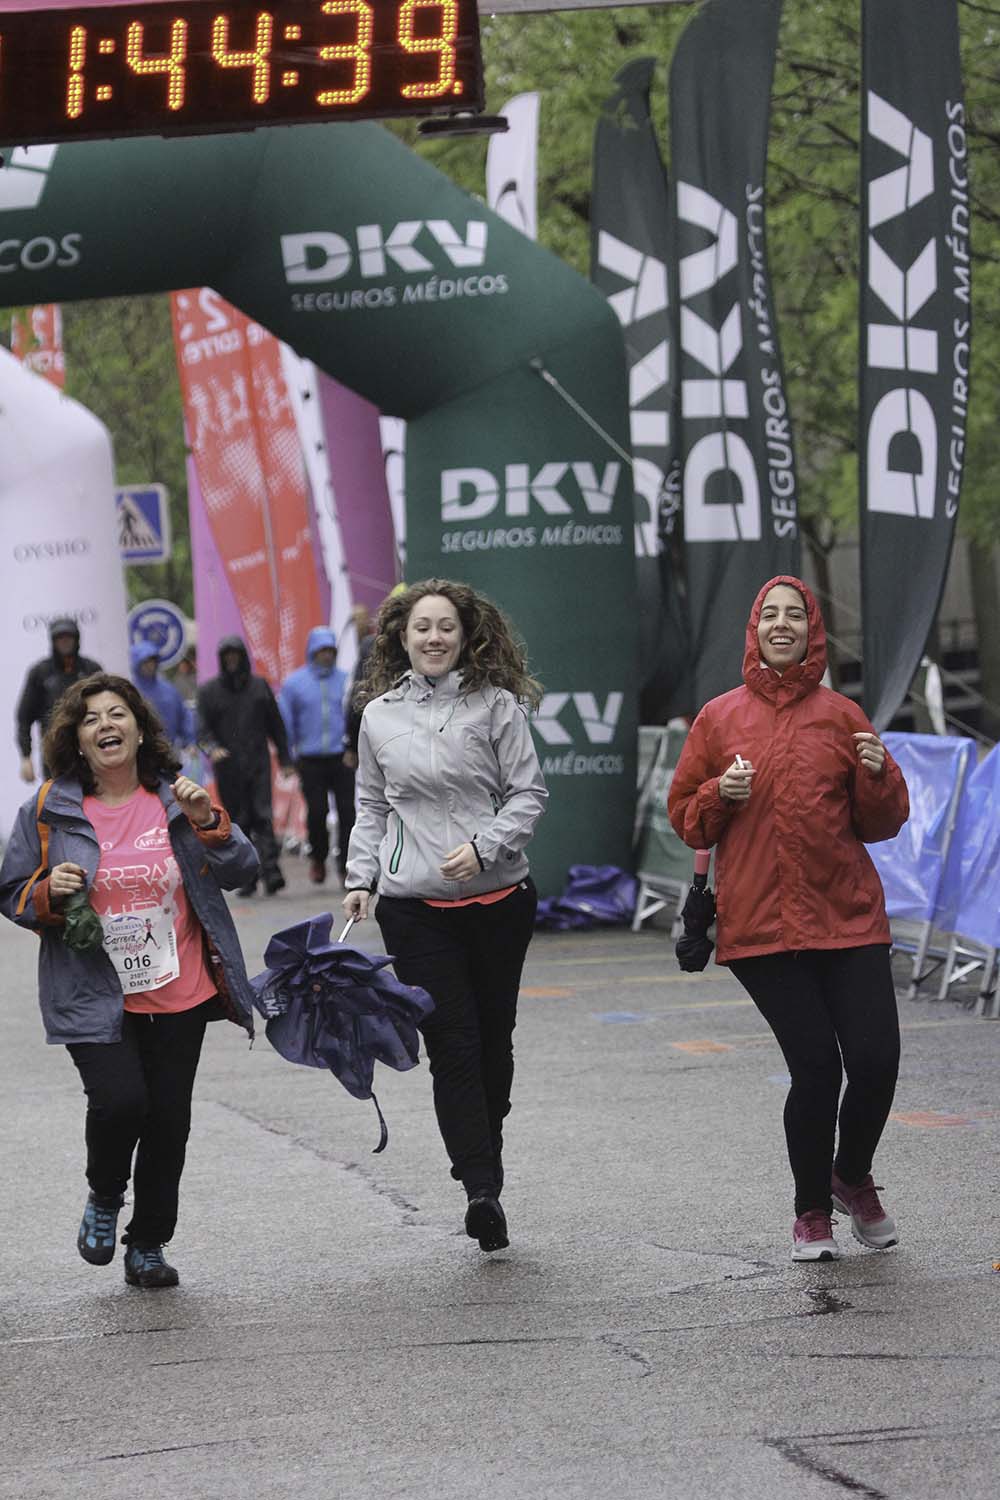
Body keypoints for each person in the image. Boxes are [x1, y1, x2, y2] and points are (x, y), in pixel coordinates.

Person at [668, 576, 910, 1263]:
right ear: (754, 630)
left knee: (876, 1061)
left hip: (849, 918)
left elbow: (883, 823)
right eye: (769, 615)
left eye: (793, 615)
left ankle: (850, 1176)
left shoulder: (842, 715)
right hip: (762, 930)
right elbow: (685, 815)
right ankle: (811, 1214)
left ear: (812, 629)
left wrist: (876, 772)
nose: (781, 625)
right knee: (816, 1068)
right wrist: (720, 791)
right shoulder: (718, 718)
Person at [0, 674, 259, 1289]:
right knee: (121, 1101)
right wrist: (46, 892)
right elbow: (11, 891)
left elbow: (243, 868)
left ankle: (147, 1244)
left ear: (141, 730)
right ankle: (104, 1194)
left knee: (169, 1120)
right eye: (91, 719)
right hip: (93, 991)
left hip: (181, 987)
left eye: (118, 714)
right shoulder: (48, 809)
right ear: (77, 739)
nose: (106, 725)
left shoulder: (177, 798)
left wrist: (209, 821)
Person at [343, 579, 547, 1254]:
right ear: (401, 638)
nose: (433, 639)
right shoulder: (379, 717)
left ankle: (482, 1143)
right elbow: (372, 807)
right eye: (421, 628)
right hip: (414, 908)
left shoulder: (497, 708)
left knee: (494, 1044)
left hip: (499, 902)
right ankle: (480, 1190)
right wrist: (360, 879)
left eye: (446, 628)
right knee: (452, 1044)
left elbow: (528, 795)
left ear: (466, 637)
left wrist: (486, 845)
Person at [196, 636, 293, 897]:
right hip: (228, 767)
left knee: (263, 816)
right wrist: (212, 748)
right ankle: (247, 876)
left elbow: (277, 726)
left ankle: (271, 872)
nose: (231, 661)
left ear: (242, 657)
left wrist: (285, 759)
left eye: (235, 656)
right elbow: (202, 730)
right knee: (238, 820)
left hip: (258, 762)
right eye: (226, 656)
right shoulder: (209, 692)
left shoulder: (259, 687)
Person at [278, 626, 355, 886]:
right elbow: (285, 723)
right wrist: (287, 757)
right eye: (321, 650)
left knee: (348, 812)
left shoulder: (347, 681)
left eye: (330, 650)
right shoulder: (295, 684)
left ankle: (346, 864)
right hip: (310, 759)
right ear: (312, 651)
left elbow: (355, 716)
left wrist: (354, 748)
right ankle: (318, 858)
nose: (326, 655)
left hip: (342, 757)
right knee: (317, 811)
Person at [16, 616, 102, 782]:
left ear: (77, 639)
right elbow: (24, 717)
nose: (65, 642)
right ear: (53, 641)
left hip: (91, 748)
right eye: (60, 638)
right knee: (57, 801)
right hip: (55, 751)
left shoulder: (91, 669)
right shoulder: (40, 672)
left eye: (68, 637)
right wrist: (26, 757)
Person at [130, 641, 192, 753]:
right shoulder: (130, 691)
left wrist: (189, 741)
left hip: (169, 750)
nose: (149, 666)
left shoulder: (168, 689)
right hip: (139, 753)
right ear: (137, 664)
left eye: (152, 661)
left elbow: (184, 716)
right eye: (145, 662)